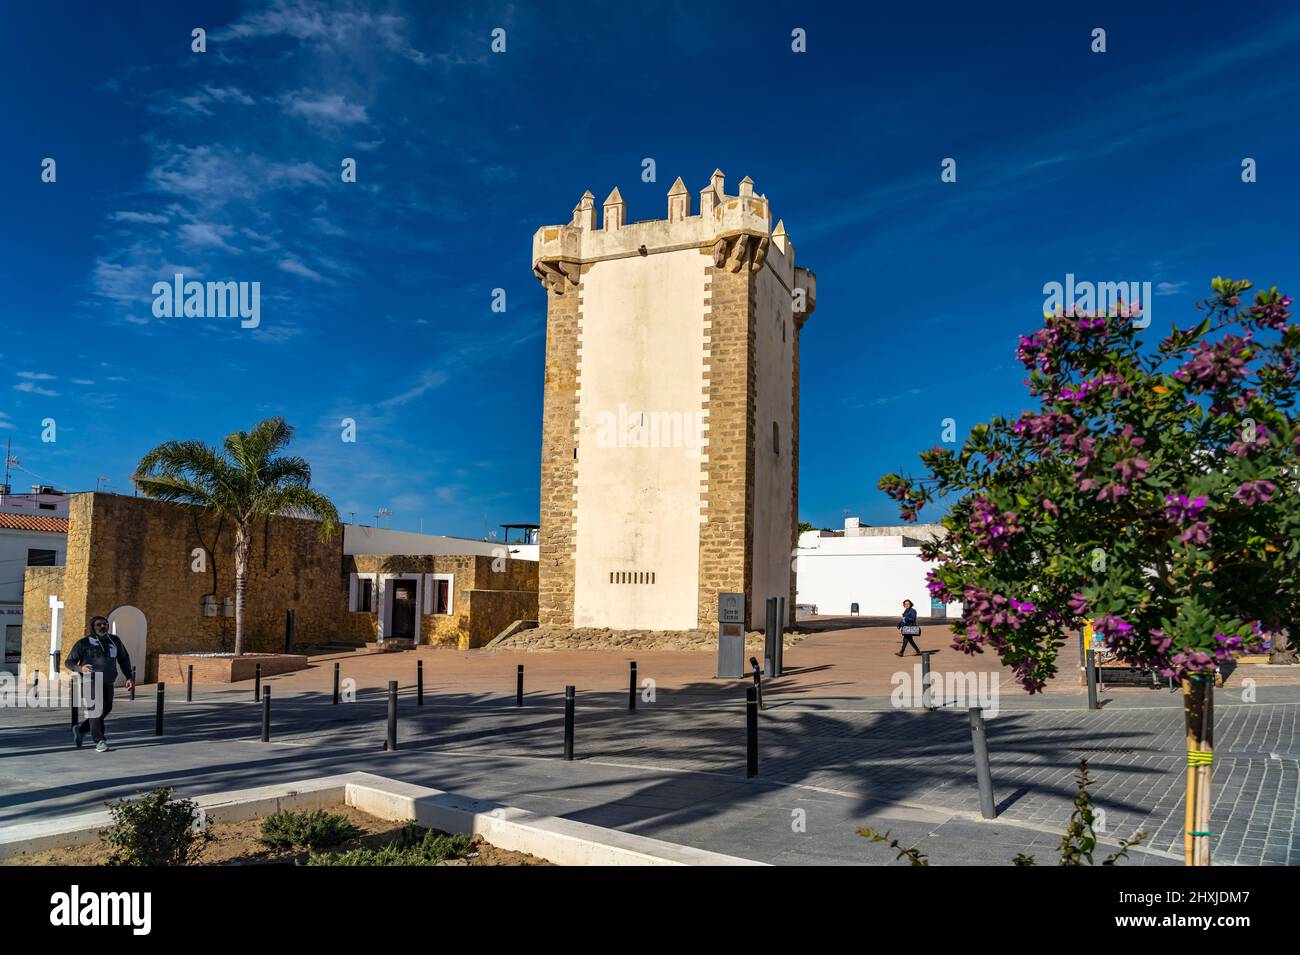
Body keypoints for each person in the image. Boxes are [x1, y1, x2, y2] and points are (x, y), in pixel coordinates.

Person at [65, 615, 134, 753]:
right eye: (99, 625)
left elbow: (124, 659)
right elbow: (69, 662)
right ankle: (100, 740)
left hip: (108, 681)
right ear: (93, 627)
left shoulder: (115, 640)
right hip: (90, 681)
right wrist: (81, 668)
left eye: (105, 624)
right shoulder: (83, 643)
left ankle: (81, 730)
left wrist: (129, 676)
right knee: (96, 709)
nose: (103, 626)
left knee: (106, 708)